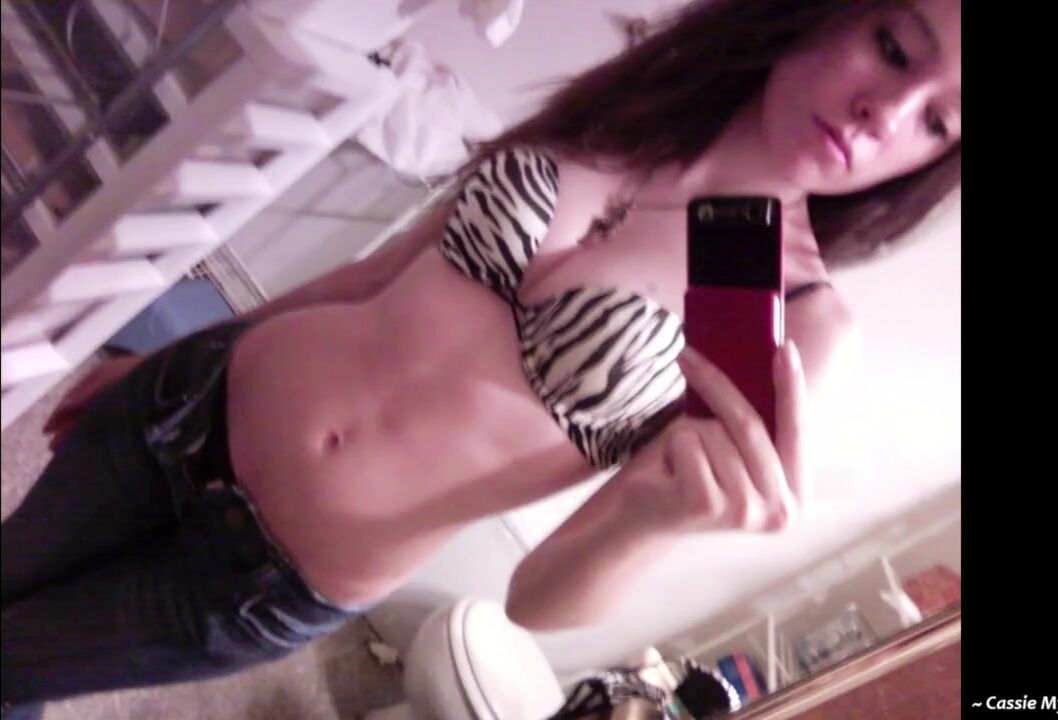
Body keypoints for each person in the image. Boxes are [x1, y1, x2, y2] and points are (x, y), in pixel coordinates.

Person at [0, 0, 961, 715]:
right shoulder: (630, 107)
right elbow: (377, 273)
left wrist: (655, 515)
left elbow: (534, 602)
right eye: (893, 47)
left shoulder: (801, 320)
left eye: (939, 122)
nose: (886, 113)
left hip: (260, 578)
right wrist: (167, 357)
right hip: (187, 404)